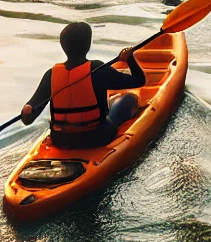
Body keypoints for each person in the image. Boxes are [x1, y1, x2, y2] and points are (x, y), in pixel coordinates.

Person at [20, 21, 144, 149]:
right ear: (88, 45)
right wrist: (130, 59)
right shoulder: (98, 69)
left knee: (109, 102)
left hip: (61, 141)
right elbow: (139, 81)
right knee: (128, 99)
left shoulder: (51, 74)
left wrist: (27, 110)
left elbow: (27, 120)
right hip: (97, 137)